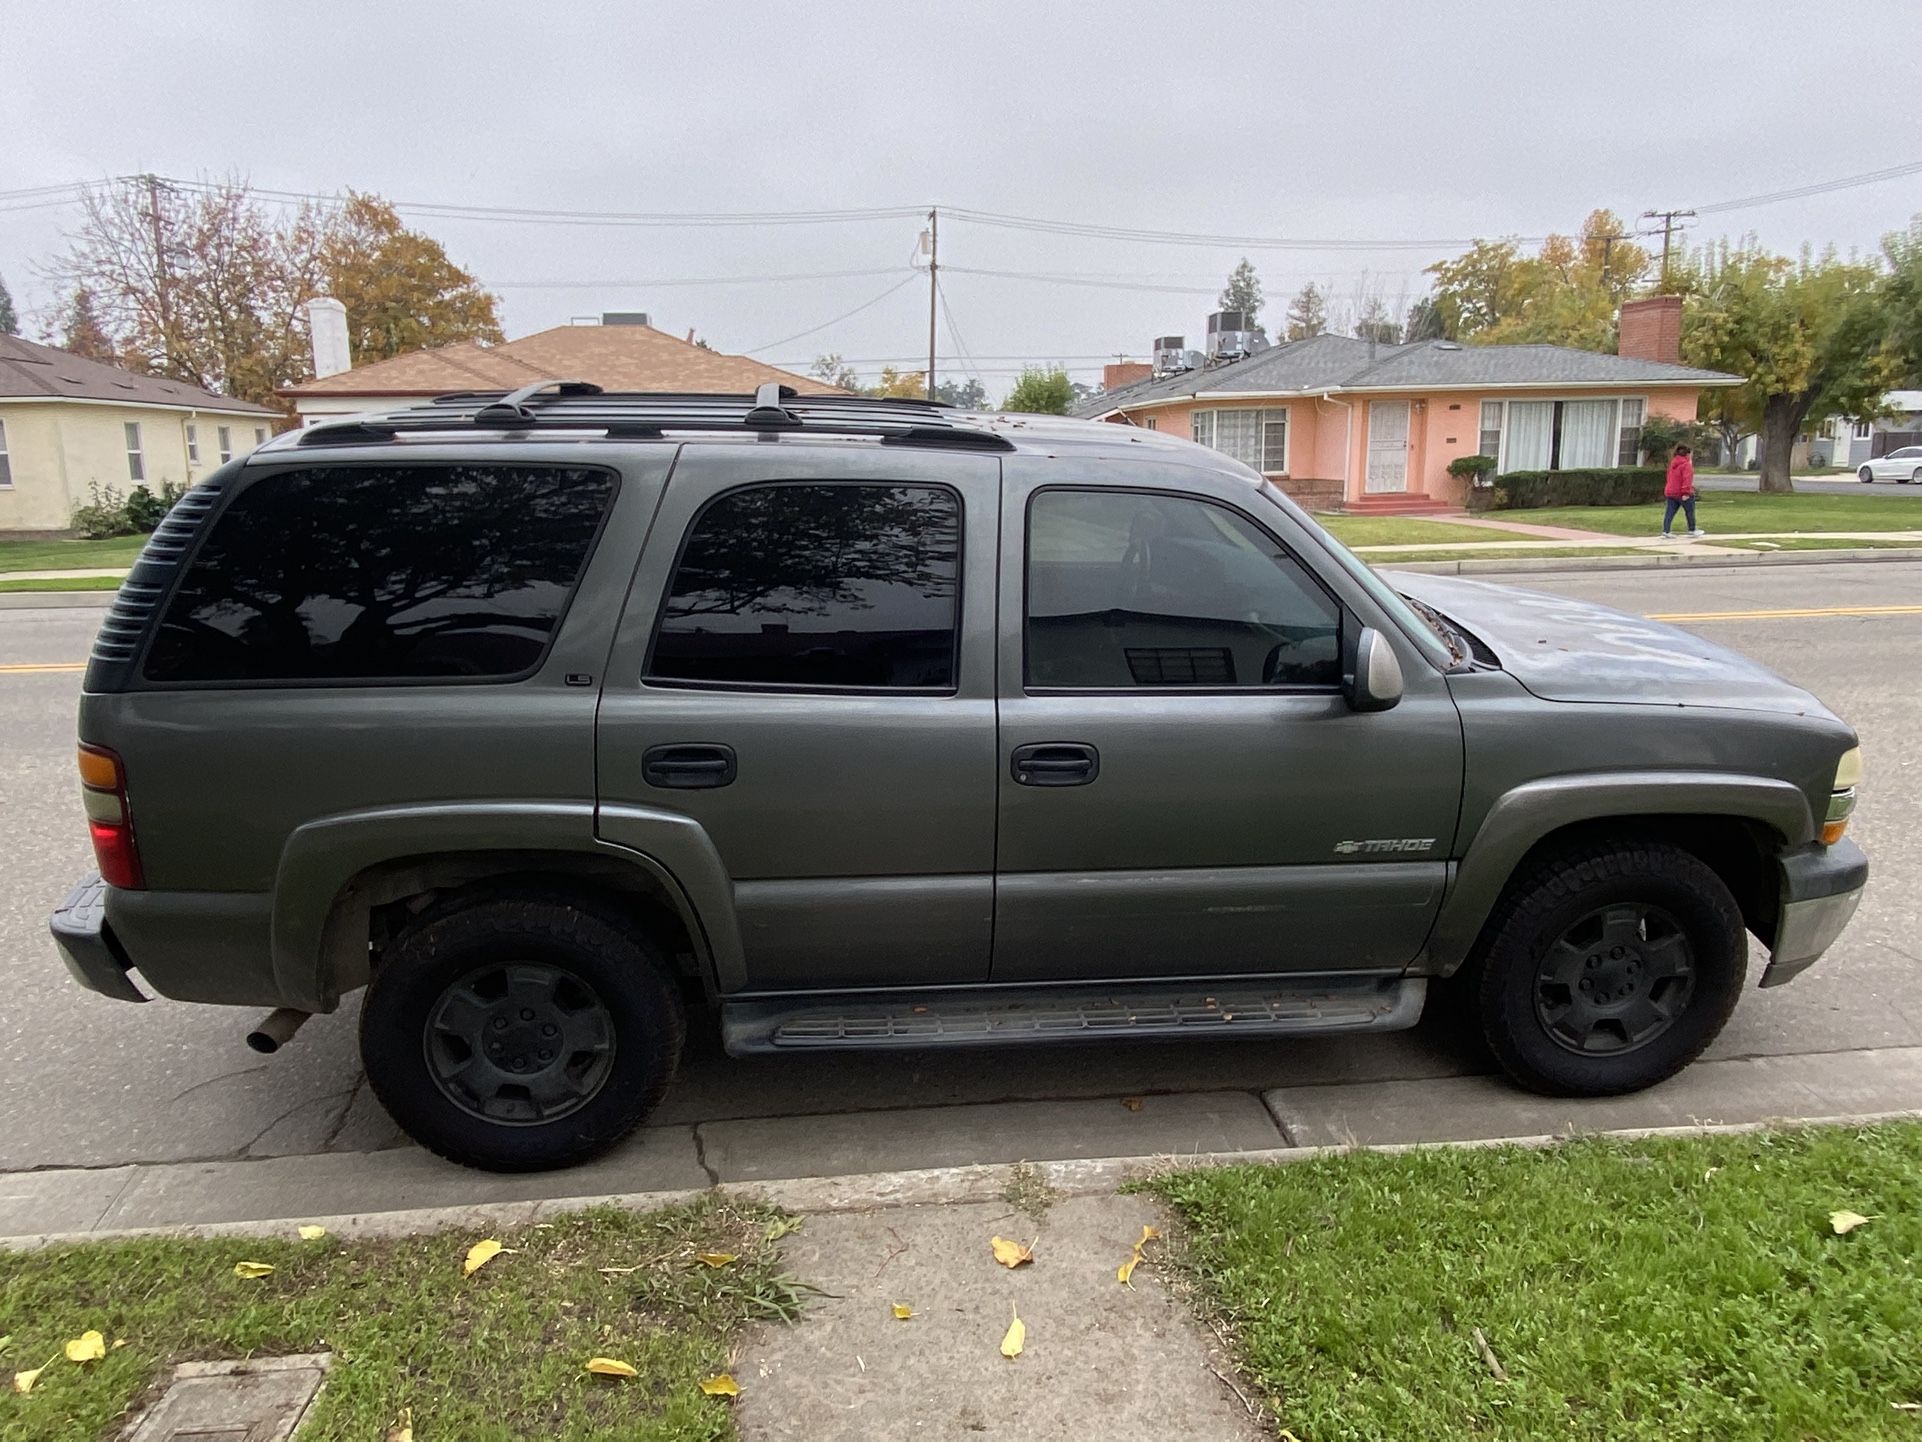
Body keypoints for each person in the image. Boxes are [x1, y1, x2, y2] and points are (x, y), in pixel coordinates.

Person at [1663, 443, 1703, 538]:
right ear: (1688, 454)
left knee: (1669, 512)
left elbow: (1669, 478)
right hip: (1682, 493)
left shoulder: (1673, 464)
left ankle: (1666, 530)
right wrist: (1686, 492)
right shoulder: (1686, 465)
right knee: (1689, 511)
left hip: (1671, 492)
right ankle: (1692, 529)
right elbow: (1687, 479)